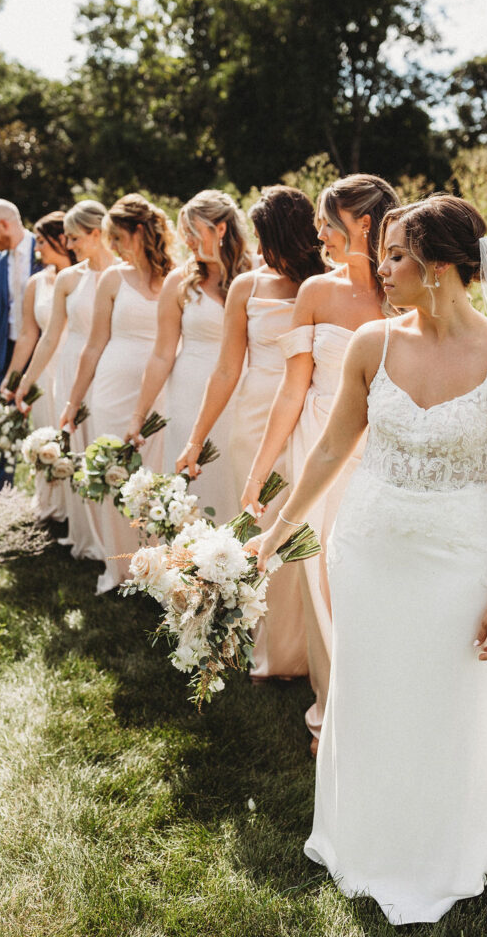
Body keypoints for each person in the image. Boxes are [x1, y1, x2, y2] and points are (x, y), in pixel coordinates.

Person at [247, 195, 487, 923]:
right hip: (369, 551)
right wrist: (276, 532)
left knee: (441, 703)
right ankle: (358, 836)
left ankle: (437, 848)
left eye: (397, 253)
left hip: (456, 560)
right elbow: (331, 449)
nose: (382, 266)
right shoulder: (372, 343)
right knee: (370, 691)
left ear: (439, 267)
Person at [241, 174, 399, 752]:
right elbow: (291, 390)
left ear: (363, 226)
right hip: (315, 446)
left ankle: (384, 695)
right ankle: (332, 709)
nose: (320, 237)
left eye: (328, 226)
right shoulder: (314, 293)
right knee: (319, 576)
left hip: (382, 454)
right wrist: (261, 473)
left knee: (371, 579)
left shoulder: (403, 295)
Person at [177, 185, 326, 681]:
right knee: (264, 535)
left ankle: (319, 647)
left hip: (317, 421)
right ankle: (276, 653)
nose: (259, 251)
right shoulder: (247, 288)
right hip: (255, 423)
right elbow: (225, 371)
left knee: (313, 531)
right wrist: (195, 439)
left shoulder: (329, 284)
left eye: (266, 238)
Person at [61, 194, 175, 593]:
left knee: (158, 476)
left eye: (118, 237)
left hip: (162, 392)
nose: (113, 246)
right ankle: (121, 565)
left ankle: (158, 561)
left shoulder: (177, 275)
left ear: (140, 232)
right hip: (111, 389)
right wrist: (74, 402)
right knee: (114, 474)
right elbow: (93, 346)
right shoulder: (112, 279)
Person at [125, 190, 251, 522]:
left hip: (242, 391)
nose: (188, 241)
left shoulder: (255, 276)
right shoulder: (179, 282)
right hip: (188, 394)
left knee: (236, 474)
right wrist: (139, 415)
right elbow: (162, 354)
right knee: (194, 482)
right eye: (185, 234)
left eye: (194, 232)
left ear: (220, 229)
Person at [14, 200, 113, 558]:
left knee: (108, 450)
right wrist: (25, 381)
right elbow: (50, 336)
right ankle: (85, 534)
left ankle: (116, 535)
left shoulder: (124, 274)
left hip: (109, 370)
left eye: (74, 238)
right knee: (77, 451)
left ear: (97, 234)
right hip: (70, 368)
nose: (68, 246)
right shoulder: (70, 279)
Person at [1, 211, 75, 521]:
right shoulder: (36, 283)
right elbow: (29, 335)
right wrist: (14, 378)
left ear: (62, 239)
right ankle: (54, 506)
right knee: (48, 437)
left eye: (42, 241)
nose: (36, 249)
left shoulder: (89, 276)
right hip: (45, 370)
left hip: (80, 366)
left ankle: (84, 507)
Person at [0, 198, 39, 496]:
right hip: (7, 354)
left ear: (4, 224)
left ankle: (48, 493)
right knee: (2, 425)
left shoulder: (48, 247)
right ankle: (1, 495)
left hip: (45, 352)